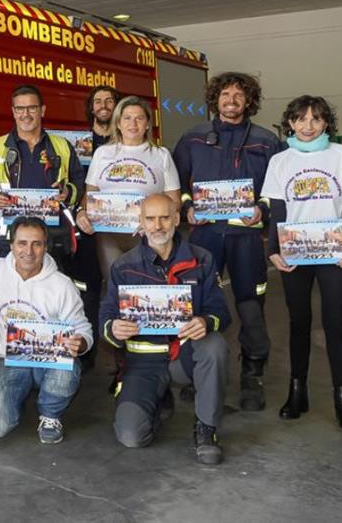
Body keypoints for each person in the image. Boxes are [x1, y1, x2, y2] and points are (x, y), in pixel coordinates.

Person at [173, 72, 283, 411]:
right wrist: (188, 207)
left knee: (251, 305)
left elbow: (277, 190)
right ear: (215, 100)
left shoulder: (267, 141)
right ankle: (198, 371)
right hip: (205, 236)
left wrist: (262, 211)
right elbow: (176, 183)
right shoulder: (192, 138)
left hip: (246, 236)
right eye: (225, 95)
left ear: (249, 101)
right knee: (199, 303)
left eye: (238, 95)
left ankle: (252, 376)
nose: (231, 101)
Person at [101, 194, 231, 465]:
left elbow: (221, 313)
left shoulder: (202, 259)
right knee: (131, 436)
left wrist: (206, 322)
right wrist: (114, 329)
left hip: (184, 357)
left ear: (176, 219)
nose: (158, 225)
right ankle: (158, 400)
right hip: (143, 363)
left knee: (215, 345)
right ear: (141, 222)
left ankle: (206, 429)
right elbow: (106, 317)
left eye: (164, 217)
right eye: (150, 218)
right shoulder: (124, 266)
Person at [262, 96, 342, 431]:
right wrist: (273, 250)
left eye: (316, 119)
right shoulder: (279, 160)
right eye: (301, 119)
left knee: (334, 323)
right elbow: (277, 210)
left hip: (335, 251)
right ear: (290, 123)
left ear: (326, 124)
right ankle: (297, 391)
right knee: (298, 322)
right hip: (295, 252)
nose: (308, 126)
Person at [0, 217, 93, 444]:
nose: (29, 251)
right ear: (11, 245)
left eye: (36, 244)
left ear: (45, 247)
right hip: (8, 361)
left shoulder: (62, 285)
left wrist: (82, 342)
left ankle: (50, 414)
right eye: (22, 243)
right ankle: (12, 396)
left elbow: (83, 328)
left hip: (49, 362)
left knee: (67, 368)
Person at [77, 96, 181, 331]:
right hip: (109, 237)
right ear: (118, 123)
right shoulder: (103, 153)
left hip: (148, 238)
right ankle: (122, 358)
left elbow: (174, 201)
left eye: (139, 118)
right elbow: (89, 194)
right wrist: (82, 212)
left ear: (147, 124)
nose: (133, 124)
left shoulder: (161, 155)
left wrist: (156, 224)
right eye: (127, 118)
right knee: (118, 292)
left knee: (148, 294)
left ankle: (155, 351)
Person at [0, 84, 85, 267]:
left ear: (42, 110)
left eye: (32, 108)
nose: (26, 114)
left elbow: (79, 180)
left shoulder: (62, 146)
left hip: (52, 235)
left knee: (50, 292)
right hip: (8, 235)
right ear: (13, 112)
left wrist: (68, 192)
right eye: (20, 108)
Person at [87, 84, 118, 149]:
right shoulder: (83, 140)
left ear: (117, 107)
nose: (103, 105)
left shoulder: (126, 141)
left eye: (109, 101)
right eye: (98, 102)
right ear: (91, 108)